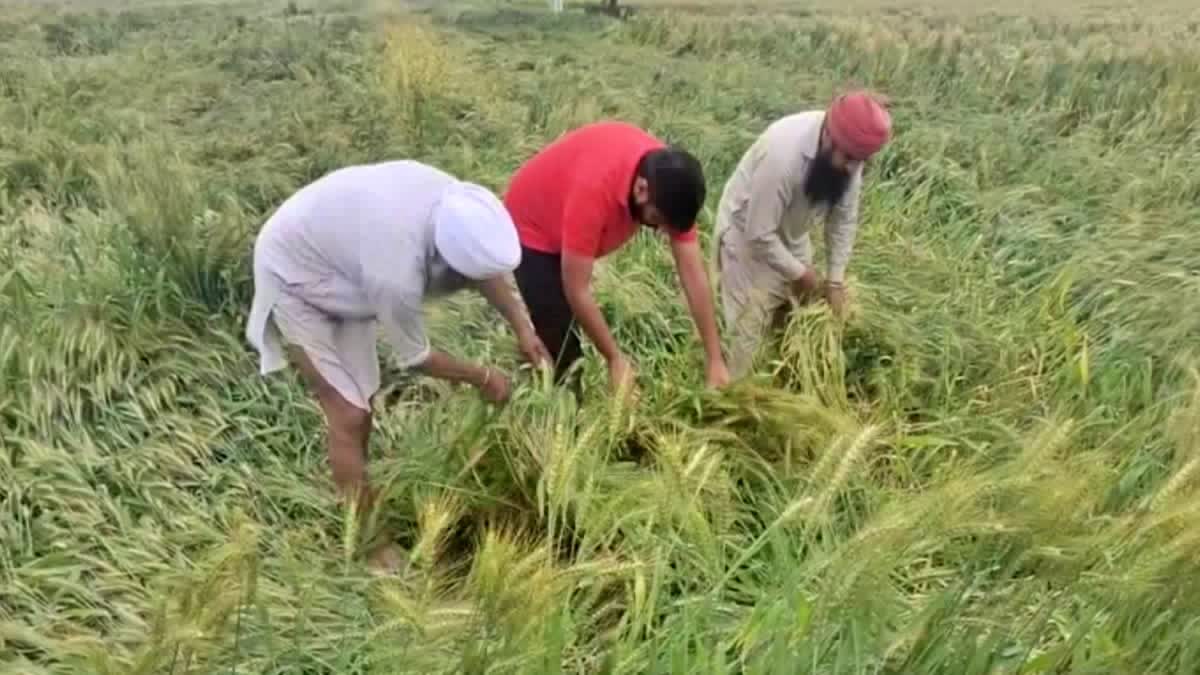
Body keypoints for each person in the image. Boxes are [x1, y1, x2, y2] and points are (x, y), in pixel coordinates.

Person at [245, 160, 550, 519]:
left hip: (341, 256)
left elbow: (484, 271)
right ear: (447, 259)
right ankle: (367, 539)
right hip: (294, 274)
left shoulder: (458, 205)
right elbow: (416, 357)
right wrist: (482, 377)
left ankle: (355, 487)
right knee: (348, 412)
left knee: (364, 396)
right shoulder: (395, 270)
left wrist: (523, 327)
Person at [497, 121, 731, 395]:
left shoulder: (674, 188)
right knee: (562, 344)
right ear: (641, 189)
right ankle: (560, 405)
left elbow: (693, 274)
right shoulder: (595, 190)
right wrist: (615, 359)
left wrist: (715, 359)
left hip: (569, 204)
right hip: (531, 225)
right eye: (657, 221)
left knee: (562, 323)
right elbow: (577, 289)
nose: (662, 233)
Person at [713, 91, 892, 378]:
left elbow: (843, 219)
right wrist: (800, 273)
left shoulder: (849, 157)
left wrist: (834, 280)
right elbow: (759, 233)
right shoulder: (783, 154)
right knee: (747, 338)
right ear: (828, 138)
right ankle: (733, 394)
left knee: (795, 322)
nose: (850, 168)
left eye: (858, 162)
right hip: (746, 239)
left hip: (791, 236)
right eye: (847, 159)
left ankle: (779, 381)